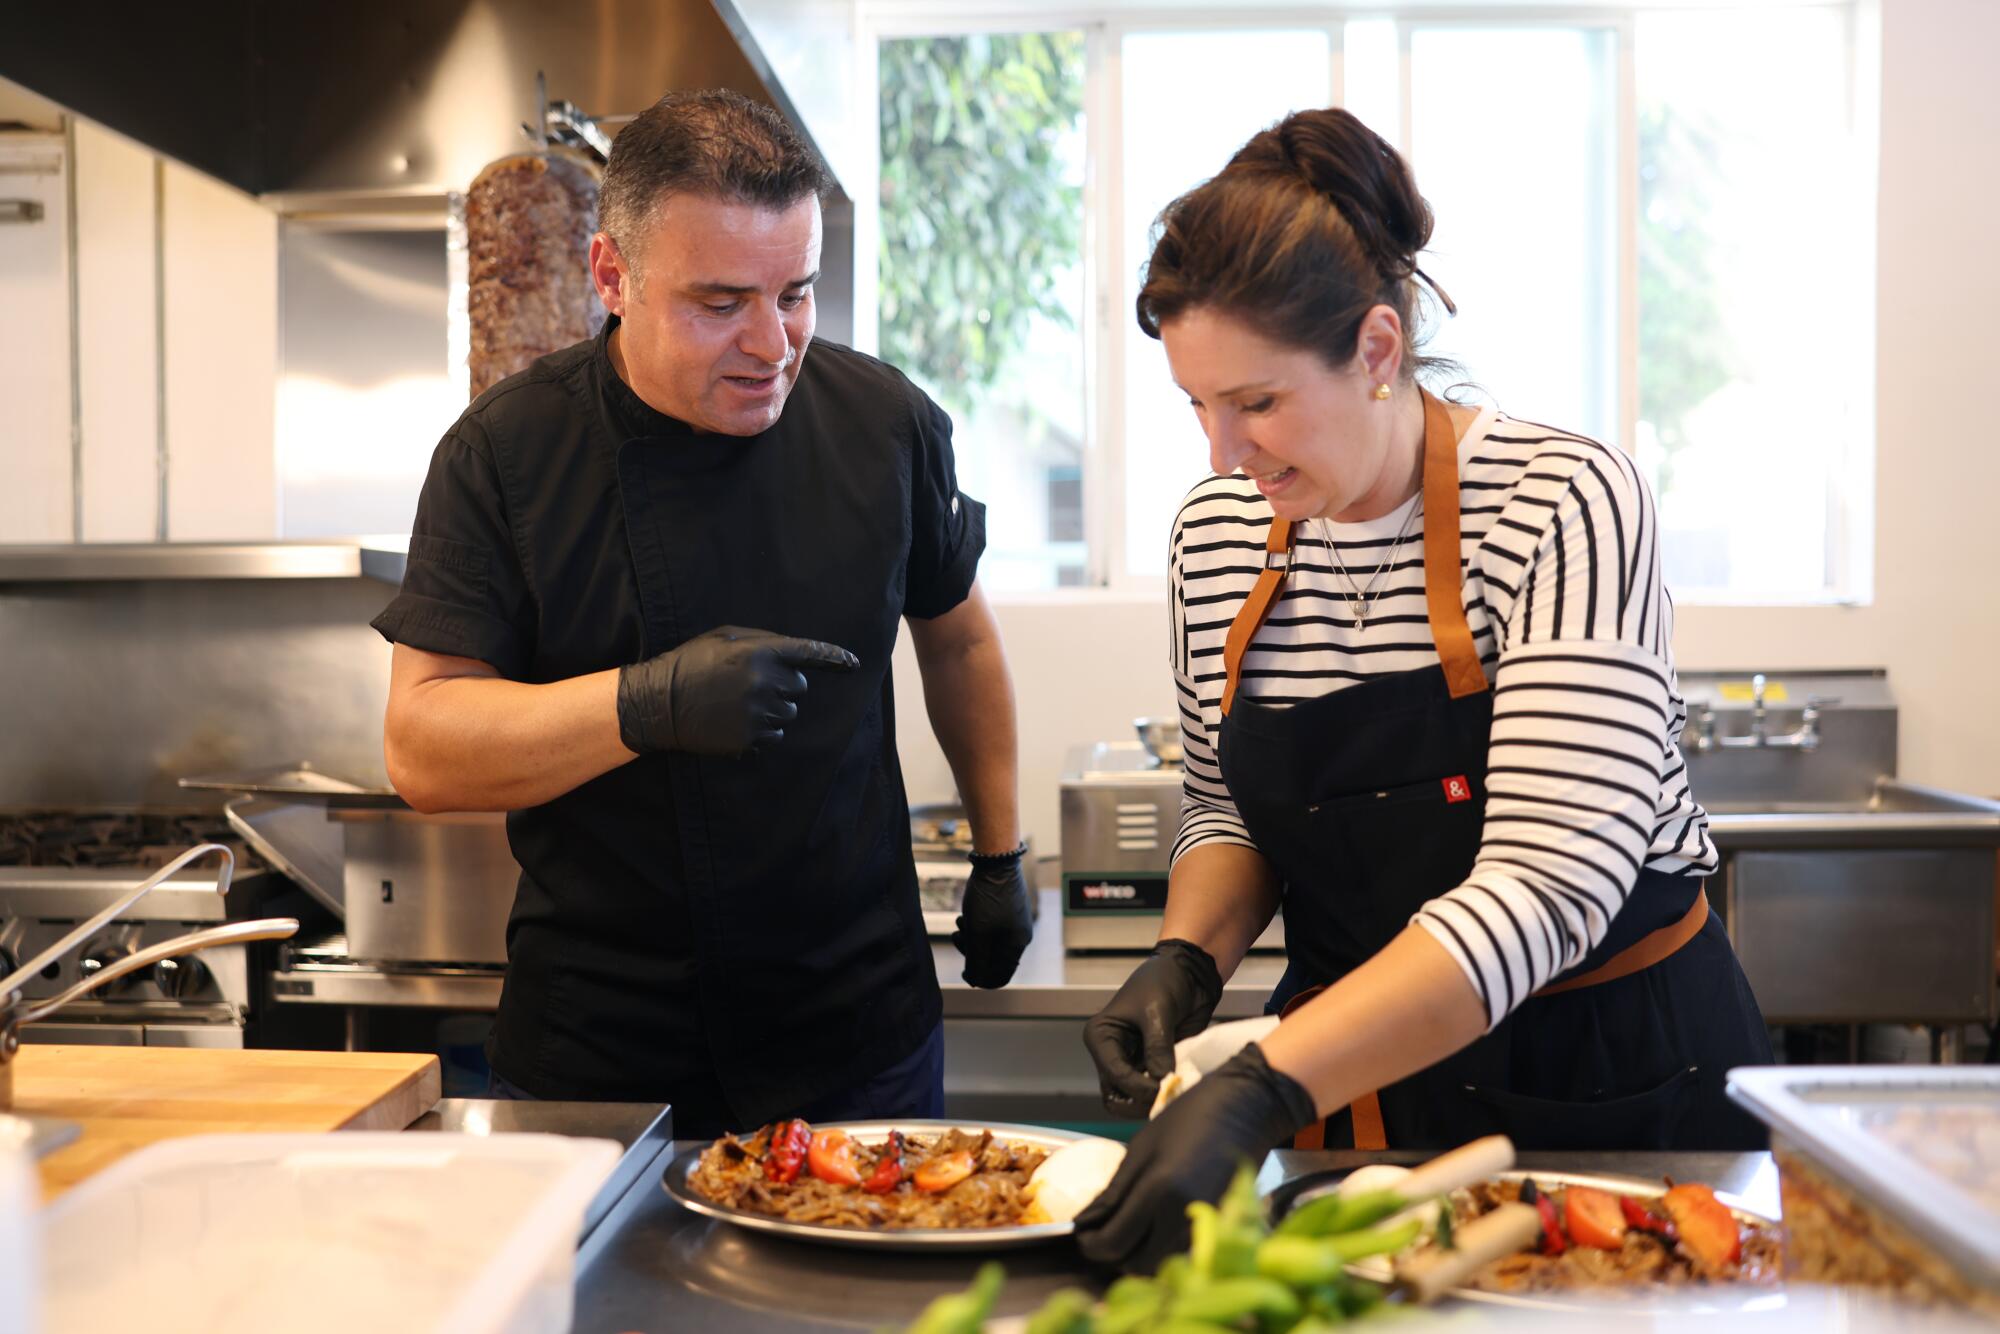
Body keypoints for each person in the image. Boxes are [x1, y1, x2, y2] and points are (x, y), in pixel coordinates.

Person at [1074, 107, 1772, 1271]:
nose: (1220, 453)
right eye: (1195, 405)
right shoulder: (1215, 538)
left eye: (1254, 402)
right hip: (1364, 1084)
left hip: (1611, 1084)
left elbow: (1549, 886)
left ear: (1378, 349)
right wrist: (1186, 956)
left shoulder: (1562, 502)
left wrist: (1260, 1084)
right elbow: (1225, 805)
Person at [371, 89, 1034, 1138]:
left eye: (798, 291)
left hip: (855, 1037)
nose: (772, 343)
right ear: (611, 278)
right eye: (721, 302)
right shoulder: (504, 454)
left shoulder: (884, 425)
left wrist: (1000, 854)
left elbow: (956, 638)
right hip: (601, 1059)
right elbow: (423, 743)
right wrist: (647, 703)